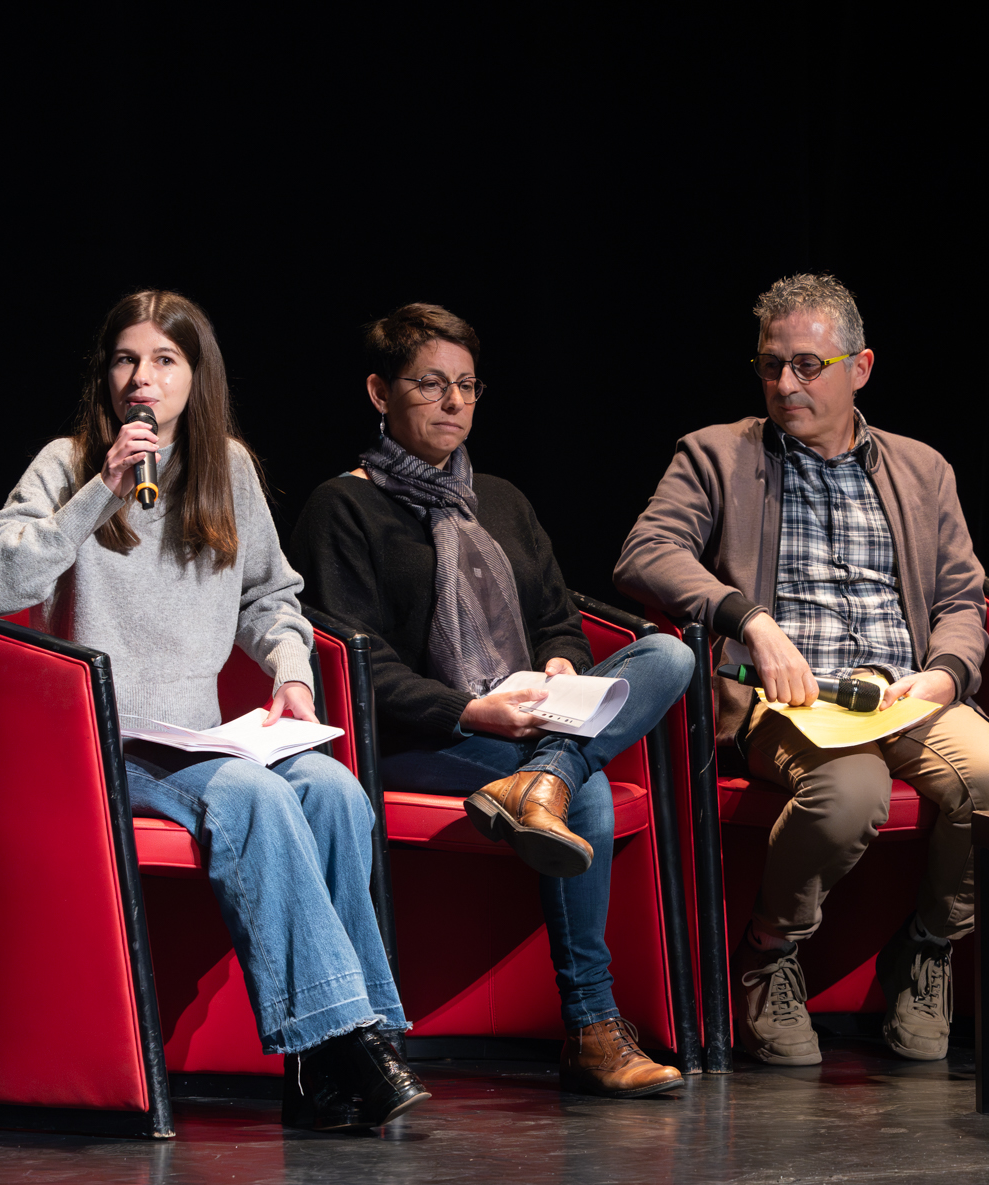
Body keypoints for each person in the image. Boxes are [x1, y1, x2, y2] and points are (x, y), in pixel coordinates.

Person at [0, 290, 428, 1132]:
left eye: (164, 361)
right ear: (106, 378)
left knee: (334, 791)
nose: (142, 379)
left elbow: (271, 597)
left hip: (201, 733)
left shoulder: (229, 467)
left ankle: (332, 1064)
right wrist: (93, 500)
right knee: (249, 798)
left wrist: (290, 670)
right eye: (125, 360)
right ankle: (351, 1045)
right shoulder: (70, 464)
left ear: (194, 375)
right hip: (111, 744)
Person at [614, 273, 989, 1068]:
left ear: (860, 367)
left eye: (807, 365)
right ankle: (770, 954)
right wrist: (750, 620)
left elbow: (961, 598)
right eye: (771, 366)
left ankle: (928, 949)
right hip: (793, 699)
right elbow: (646, 554)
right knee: (852, 792)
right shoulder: (716, 455)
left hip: (905, 693)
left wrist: (945, 674)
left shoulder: (922, 469)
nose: (784, 384)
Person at [288, 303, 695, 1099]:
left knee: (670, 654)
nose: (453, 403)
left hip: (530, 720)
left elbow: (560, 623)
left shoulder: (500, 499)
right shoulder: (343, 507)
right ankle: (593, 1027)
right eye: (431, 385)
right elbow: (352, 662)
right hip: (422, 734)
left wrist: (555, 668)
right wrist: (474, 711)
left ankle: (541, 777)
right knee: (591, 800)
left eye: (467, 386)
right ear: (379, 392)